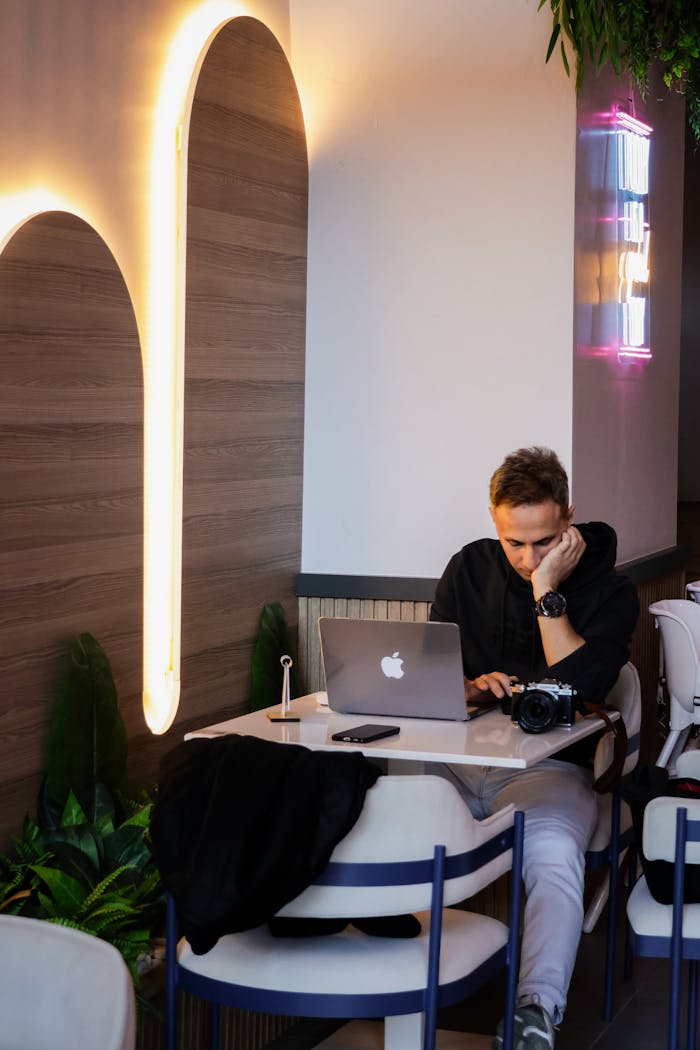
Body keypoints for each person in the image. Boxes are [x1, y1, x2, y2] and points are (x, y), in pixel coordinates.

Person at [430, 447, 639, 1050]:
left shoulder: (610, 590)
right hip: (459, 762)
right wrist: (469, 687)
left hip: (550, 772)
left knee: (552, 856)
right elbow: (426, 670)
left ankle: (533, 1015)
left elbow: (578, 687)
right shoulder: (467, 569)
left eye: (543, 542)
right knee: (376, 814)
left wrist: (548, 590)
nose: (526, 560)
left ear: (569, 518)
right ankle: (373, 976)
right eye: (513, 544)